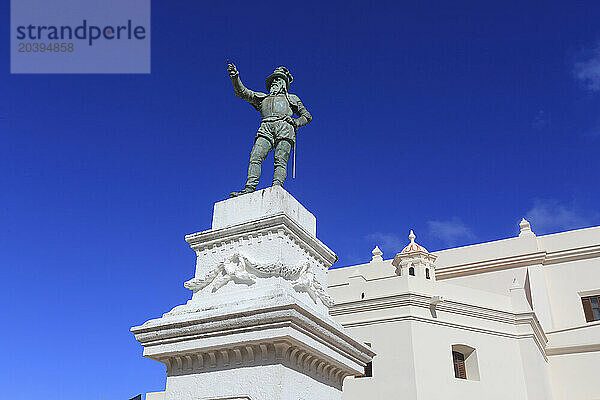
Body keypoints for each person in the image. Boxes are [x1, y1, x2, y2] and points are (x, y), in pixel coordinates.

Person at [227, 62, 312, 197]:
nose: (274, 82)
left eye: (277, 80)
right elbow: (242, 92)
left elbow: (307, 116)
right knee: (255, 156)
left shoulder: (292, 98)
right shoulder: (262, 98)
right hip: (266, 127)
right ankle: (249, 188)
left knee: (280, 160)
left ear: (283, 83)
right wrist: (235, 77)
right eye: (272, 80)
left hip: (285, 128)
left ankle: (276, 187)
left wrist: (296, 122)